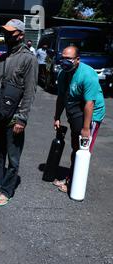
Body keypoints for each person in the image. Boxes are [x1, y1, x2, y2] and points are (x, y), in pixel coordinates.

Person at [0, 19, 38, 206]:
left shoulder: (29, 59)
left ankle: (7, 190)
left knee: (13, 157)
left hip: (14, 118)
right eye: (5, 32)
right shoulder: (2, 59)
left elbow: (30, 91)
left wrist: (22, 119)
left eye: (10, 33)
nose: (6, 36)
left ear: (20, 35)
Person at [53, 46, 106, 194]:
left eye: (68, 58)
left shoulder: (87, 75)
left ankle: (72, 183)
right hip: (77, 110)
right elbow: (61, 97)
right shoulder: (63, 74)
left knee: (83, 150)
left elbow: (90, 103)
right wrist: (57, 117)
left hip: (92, 113)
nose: (64, 61)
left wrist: (86, 128)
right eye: (63, 58)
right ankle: (71, 178)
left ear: (77, 60)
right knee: (75, 148)